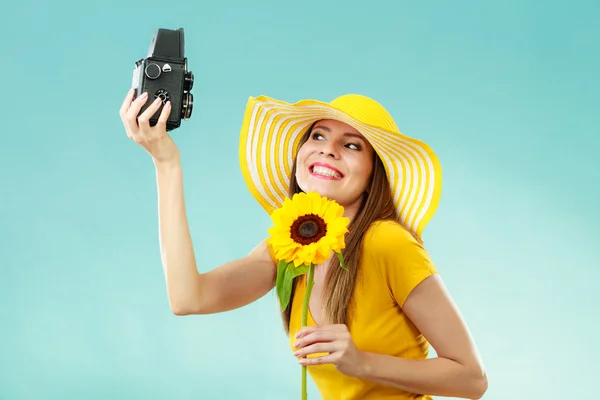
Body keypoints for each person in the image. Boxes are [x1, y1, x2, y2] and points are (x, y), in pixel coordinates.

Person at [119, 89, 489, 400]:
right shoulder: (289, 244)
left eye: (351, 145)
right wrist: (167, 164)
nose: (328, 150)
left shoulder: (388, 243)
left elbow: (472, 379)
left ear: (373, 173)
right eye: (318, 136)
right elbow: (188, 298)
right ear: (299, 156)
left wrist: (362, 363)